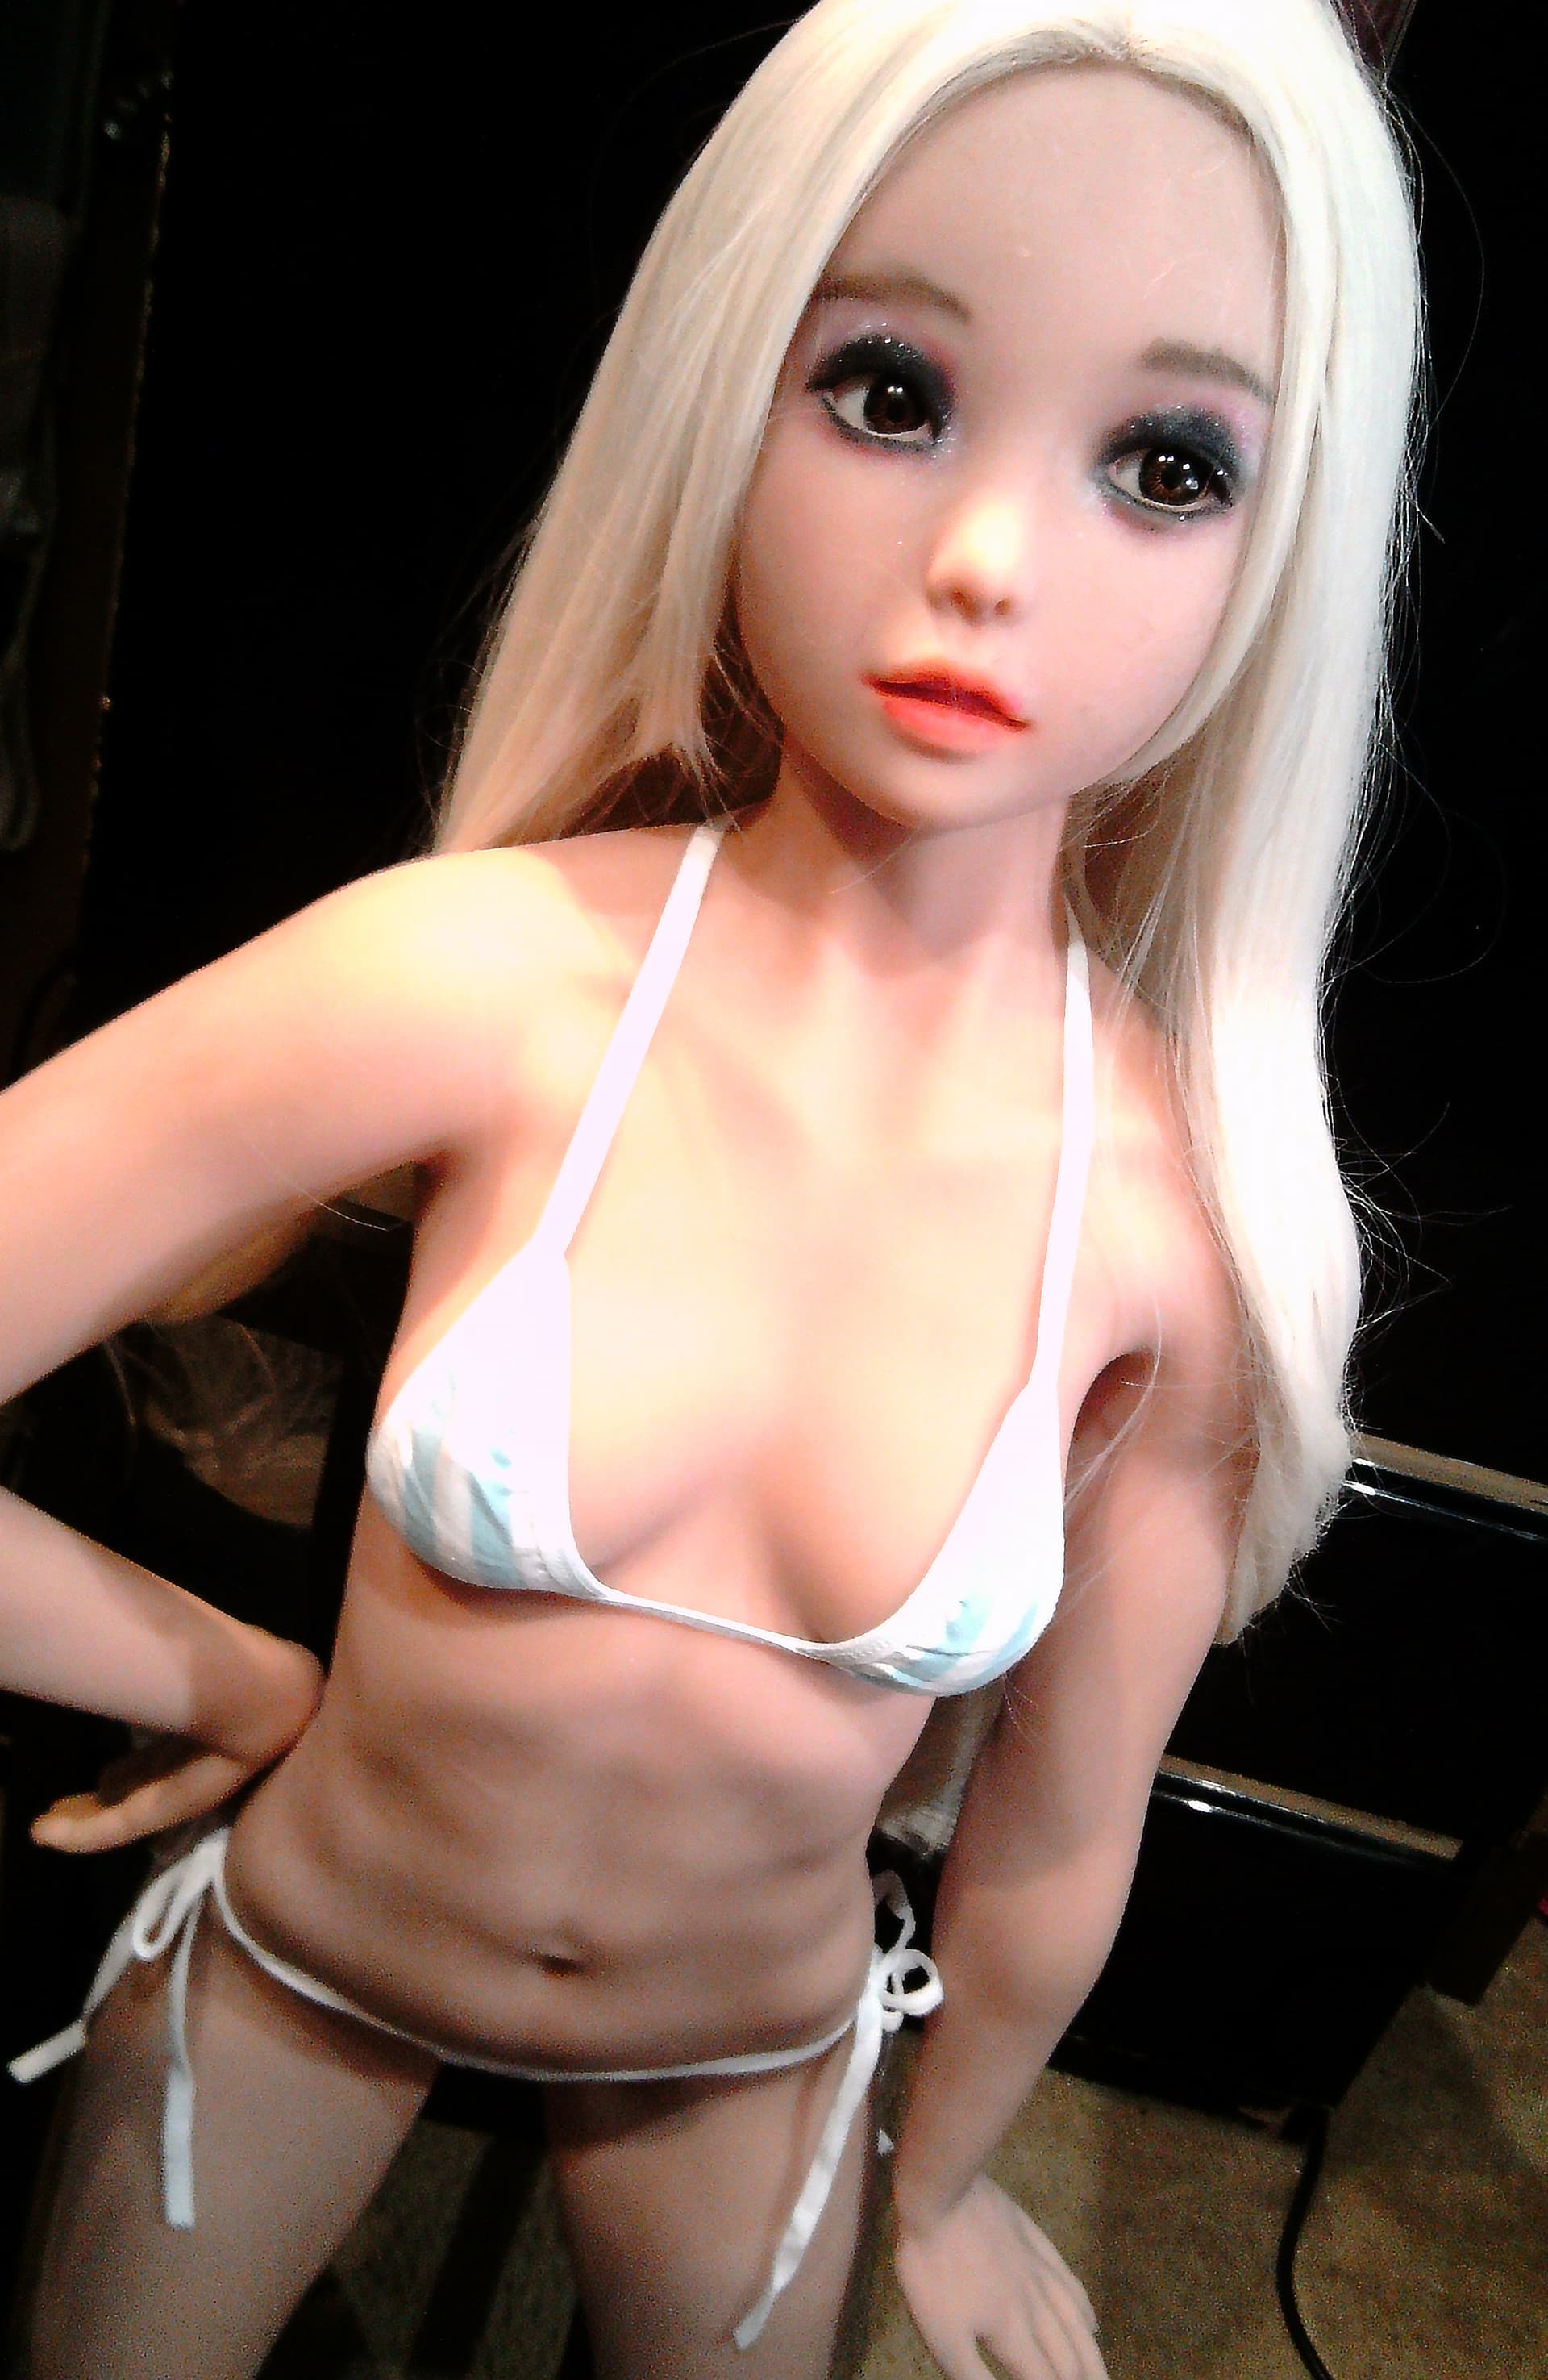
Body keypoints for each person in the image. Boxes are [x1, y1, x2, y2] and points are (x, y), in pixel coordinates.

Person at [0, 2, 1419, 2374]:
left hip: (746, 2075)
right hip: (301, 1976)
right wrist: (226, 1669)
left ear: (1289, 549)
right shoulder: (473, 980)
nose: (986, 560)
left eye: (1168, 464)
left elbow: (1061, 1838)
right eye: (889, 391)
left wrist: (939, 2180)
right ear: (723, 383)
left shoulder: (1180, 1233)